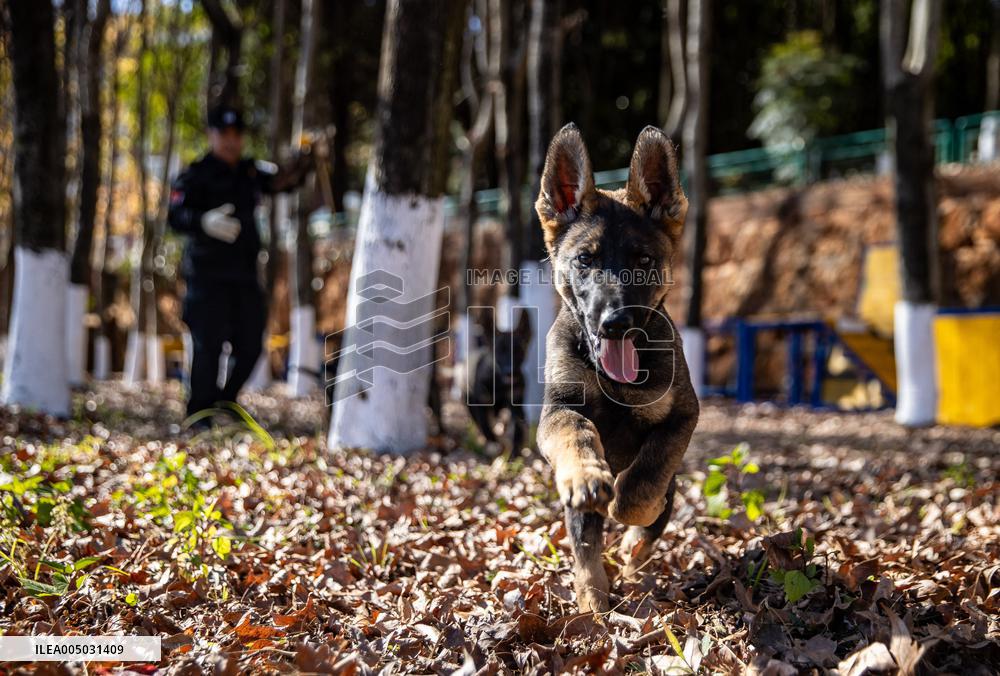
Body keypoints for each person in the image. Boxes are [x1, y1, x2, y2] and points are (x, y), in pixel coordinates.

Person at [168, 105, 310, 420]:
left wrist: (305, 159)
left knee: (251, 344)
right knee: (209, 346)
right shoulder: (195, 174)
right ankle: (200, 412)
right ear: (212, 135)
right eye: (224, 134)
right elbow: (174, 216)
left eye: (237, 135)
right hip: (206, 276)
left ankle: (226, 401)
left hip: (244, 276)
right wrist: (202, 221)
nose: (231, 141)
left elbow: (282, 182)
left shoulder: (249, 171)